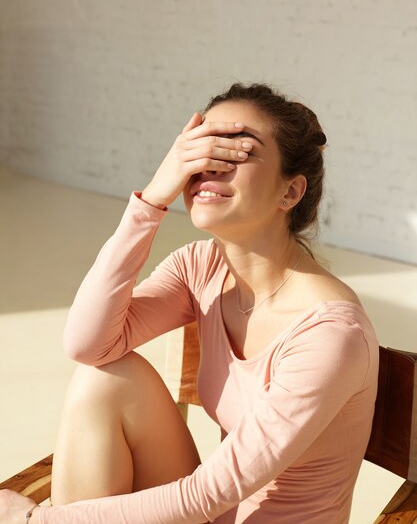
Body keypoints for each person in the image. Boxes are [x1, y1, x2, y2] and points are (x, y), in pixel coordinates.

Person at [0, 83, 379, 524]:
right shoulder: (201, 268)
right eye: (199, 150)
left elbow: (205, 495)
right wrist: (153, 198)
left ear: (290, 193)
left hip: (211, 509)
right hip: (215, 516)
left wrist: (33, 521)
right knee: (105, 378)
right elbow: (89, 345)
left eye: (237, 153)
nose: (208, 168)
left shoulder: (330, 334)